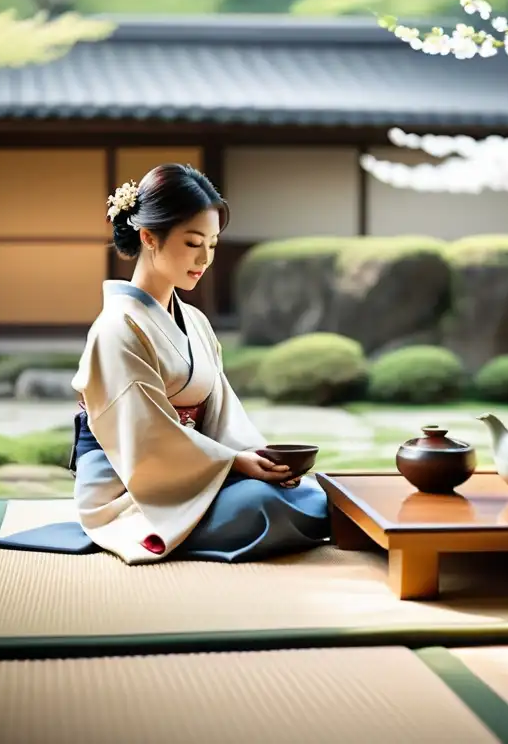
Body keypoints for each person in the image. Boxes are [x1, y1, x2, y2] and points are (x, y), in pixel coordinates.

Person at [69, 163, 330, 565]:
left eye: (212, 244)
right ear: (149, 237)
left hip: (192, 469)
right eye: (193, 243)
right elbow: (147, 439)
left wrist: (257, 457)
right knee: (264, 505)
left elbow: (222, 413)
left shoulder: (194, 321)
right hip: (129, 486)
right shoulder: (116, 328)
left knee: (308, 494)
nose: (205, 258)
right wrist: (233, 463)